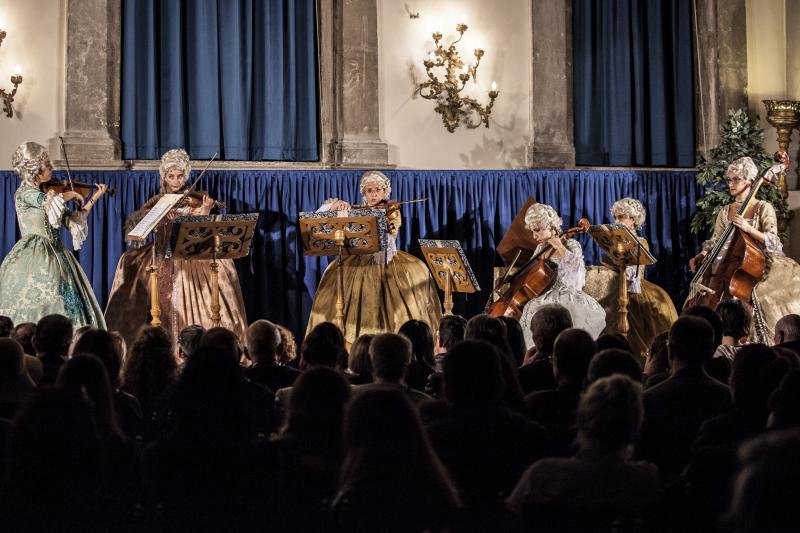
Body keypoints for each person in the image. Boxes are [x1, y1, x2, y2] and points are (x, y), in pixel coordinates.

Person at [104, 149, 248, 348]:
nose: (176, 181)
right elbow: (139, 225)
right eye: (171, 176)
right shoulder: (158, 201)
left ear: (186, 176)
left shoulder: (195, 200)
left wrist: (205, 211)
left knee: (220, 269)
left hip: (187, 255)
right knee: (128, 262)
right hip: (161, 253)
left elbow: (201, 233)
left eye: (180, 176)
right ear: (164, 177)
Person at [304, 171, 443, 345]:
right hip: (357, 261)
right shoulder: (355, 210)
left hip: (385, 260)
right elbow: (318, 217)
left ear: (386, 192)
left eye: (378, 189)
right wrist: (335, 206)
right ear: (364, 194)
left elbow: (386, 240)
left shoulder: (391, 211)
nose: (374, 194)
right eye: (369, 190)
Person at [688, 156, 800, 344]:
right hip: (728, 262)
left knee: (762, 294)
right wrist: (702, 254)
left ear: (749, 181)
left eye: (736, 179)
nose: (731, 184)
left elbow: (773, 240)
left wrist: (749, 229)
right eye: (729, 179)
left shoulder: (763, 207)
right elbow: (715, 241)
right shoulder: (725, 211)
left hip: (757, 261)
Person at [0, 142, 107, 328]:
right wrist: (72, 194)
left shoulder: (51, 193)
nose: (52, 168)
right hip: (34, 252)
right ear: (35, 170)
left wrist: (93, 199)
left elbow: (71, 221)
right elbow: (44, 200)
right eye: (47, 165)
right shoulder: (24, 193)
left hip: (58, 253)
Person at [584, 198, 678, 357]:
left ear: (633, 219)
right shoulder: (614, 241)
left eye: (621, 217)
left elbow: (632, 275)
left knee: (634, 328)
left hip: (634, 290)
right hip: (614, 288)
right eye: (615, 217)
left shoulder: (640, 242)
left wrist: (615, 268)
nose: (616, 220)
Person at [517, 203, 605, 349]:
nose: (534, 236)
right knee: (533, 308)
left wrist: (559, 246)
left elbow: (578, 272)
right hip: (545, 294)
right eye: (533, 231)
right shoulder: (540, 248)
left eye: (538, 230)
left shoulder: (571, 244)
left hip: (569, 293)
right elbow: (530, 274)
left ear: (551, 227)